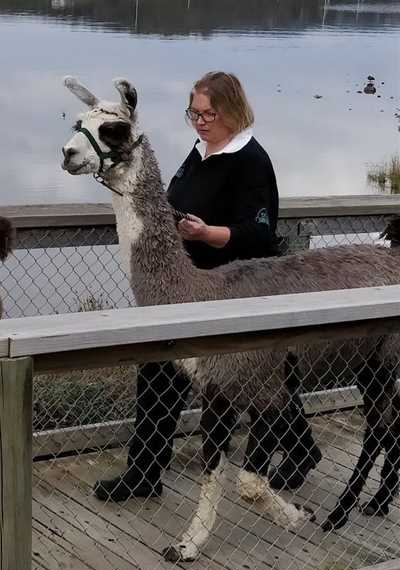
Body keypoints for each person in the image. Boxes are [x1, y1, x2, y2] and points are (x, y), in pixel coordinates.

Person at [93, 71, 322, 503]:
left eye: (208, 114)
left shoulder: (252, 160)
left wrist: (208, 233)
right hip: (183, 284)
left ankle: (301, 448)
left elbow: (260, 232)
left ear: (232, 111)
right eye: (193, 113)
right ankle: (144, 471)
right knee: (158, 371)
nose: (199, 122)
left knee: (254, 381)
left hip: (232, 291)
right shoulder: (199, 151)